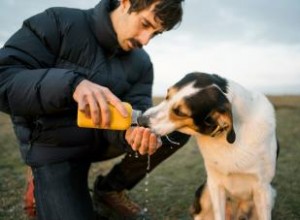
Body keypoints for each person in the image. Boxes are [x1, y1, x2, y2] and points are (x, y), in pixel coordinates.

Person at [0, 0, 190, 219]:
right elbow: (4, 77)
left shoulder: (142, 62)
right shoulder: (58, 22)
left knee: (177, 127)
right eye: (145, 24)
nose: (145, 40)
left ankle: (109, 189)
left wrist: (132, 133)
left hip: (102, 140)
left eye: (156, 34)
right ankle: (40, 179)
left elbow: (137, 110)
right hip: (55, 148)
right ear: (125, 3)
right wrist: (70, 85)